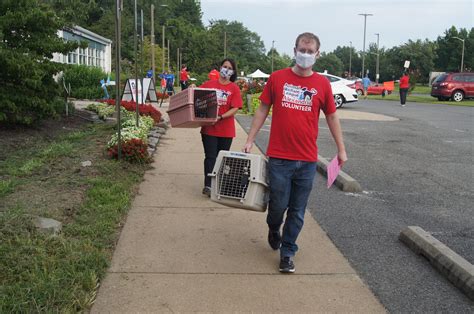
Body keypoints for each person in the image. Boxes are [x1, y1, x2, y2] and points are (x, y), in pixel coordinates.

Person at [242, 32, 347, 273]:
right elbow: (262, 109)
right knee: (278, 205)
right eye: (302, 50)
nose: (306, 55)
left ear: (317, 54)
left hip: (307, 160)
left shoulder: (322, 84)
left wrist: (341, 150)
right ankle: (273, 226)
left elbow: (332, 116)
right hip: (279, 158)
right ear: (294, 50)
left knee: (298, 211)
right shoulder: (278, 78)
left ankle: (287, 252)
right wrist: (250, 139)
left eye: (310, 52)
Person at [199, 59, 243, 196]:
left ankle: (219, 184)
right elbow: (197, 98)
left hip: (226, 130)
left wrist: (221, 117)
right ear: (220, 68)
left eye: (229, 68)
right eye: (224, 66)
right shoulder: (208, 85)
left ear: (233, 72)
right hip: (209, 129)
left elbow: (235, 107)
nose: (226, 70)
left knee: (221, 158)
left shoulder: (234, 88)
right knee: (210, 157)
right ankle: (208, 185)